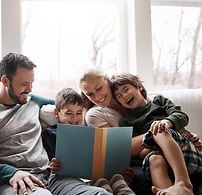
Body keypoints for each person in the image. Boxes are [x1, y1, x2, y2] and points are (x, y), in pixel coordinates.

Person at [0, 53, 109, 195]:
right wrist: (11, 173)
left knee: (100, 193)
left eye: (31, 83)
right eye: (24, 84)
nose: (30, 89)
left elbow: (67, 106)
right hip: (11, 180)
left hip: (51, 176)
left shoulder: (32, 101)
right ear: (5, 81)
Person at [78, 66, 202, 195]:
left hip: (179, 149)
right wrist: (154, 134)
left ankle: (183, 183)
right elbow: (121, 148)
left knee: (158, 130)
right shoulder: (107, 117)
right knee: (154, 156)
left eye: (99, 88)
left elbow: (176, 117)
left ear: (107, 80)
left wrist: (187, 135)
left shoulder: (143, 101)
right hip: (149, 157)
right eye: (90, 94)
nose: (97, 96)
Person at [42, 87, 135, 195]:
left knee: (116, 178)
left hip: (96, 175)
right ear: (57, 113)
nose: (74, 118)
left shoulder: (89, 132)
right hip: (74, 178)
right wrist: (54, 165)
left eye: (78, 113)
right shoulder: (51, 133)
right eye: (68, 113)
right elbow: (52, 162)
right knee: (102, 184)